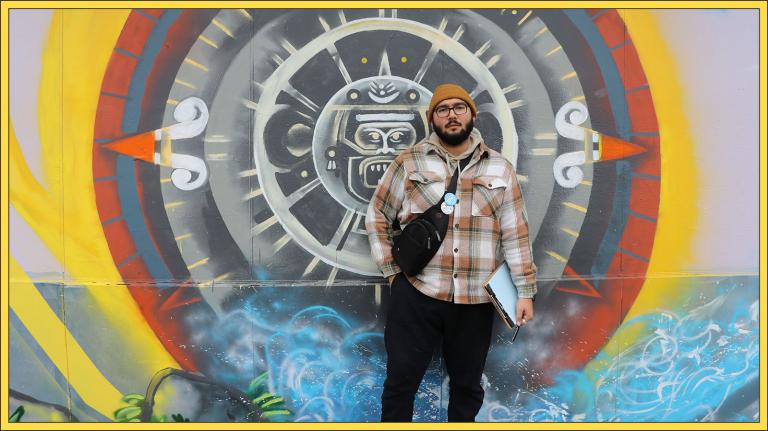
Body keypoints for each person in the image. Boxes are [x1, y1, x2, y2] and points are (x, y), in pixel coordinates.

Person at [365, 83, 537, 422]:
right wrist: (393, 273)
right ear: (433, 119)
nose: (452, 115)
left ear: (472, 114)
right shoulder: (409, 162)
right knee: (400, 384)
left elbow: (515, 232)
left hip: (475, 301)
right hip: (417, 293)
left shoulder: (499, 168)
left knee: (467, 387)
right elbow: (377, 215)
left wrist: (525, 292)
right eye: (442, 110)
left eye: (459, 107)